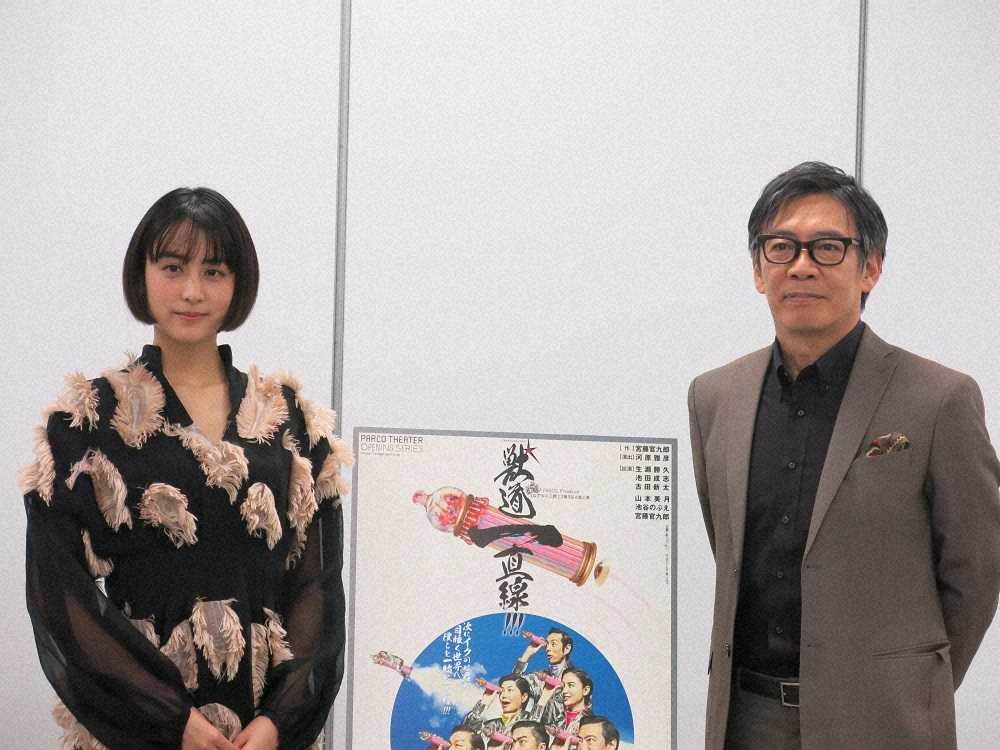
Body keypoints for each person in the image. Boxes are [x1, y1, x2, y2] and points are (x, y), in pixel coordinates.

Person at [20, 187, 352, 750]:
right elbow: (62, 596)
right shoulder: (89, 421)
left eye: (214, 271)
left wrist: (279, 721)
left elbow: (315, 588)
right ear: (142, 275)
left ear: (238, 283)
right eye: (172, 267)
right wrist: (171, 719)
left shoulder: (288, 420)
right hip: (136, 728)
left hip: (261, 730)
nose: (192, 291)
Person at [688, 161, 1000, 750]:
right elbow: (728, 546)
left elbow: (976, 571)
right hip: (746, 719)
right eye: (781, 247)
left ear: (870, 268)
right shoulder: (714, 396)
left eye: (828, 247)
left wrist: (914, 684)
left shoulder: (939, 399)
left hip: (883, 720)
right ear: (757, 269)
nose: (801, 265)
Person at [512, 628, 574, 726]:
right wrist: (527, 654)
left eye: (553, 644)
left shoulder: (575, 681)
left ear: (567, 648)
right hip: (535, 730)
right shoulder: (540, 678)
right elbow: (513, 685)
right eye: (547, 644)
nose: (548, 648)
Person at [464, 675, 540, 739]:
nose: (503, 696)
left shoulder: (531, 722)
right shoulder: (492, 725)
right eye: (502, 691)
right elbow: (466, 735)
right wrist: (484, 702)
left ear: (524, 697)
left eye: (510, 690)